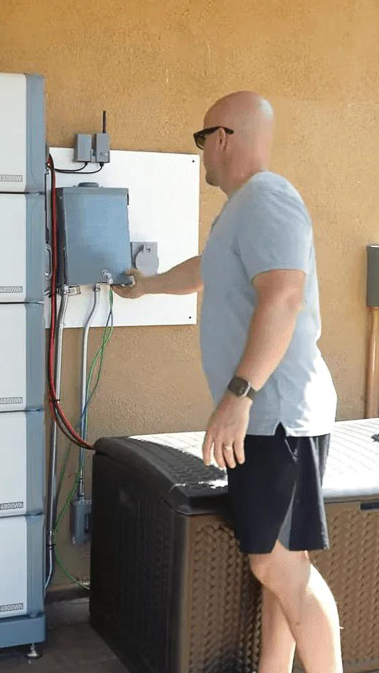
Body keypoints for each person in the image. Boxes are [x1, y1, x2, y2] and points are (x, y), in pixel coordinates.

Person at [114, 91, 342, 673]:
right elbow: (206, 270)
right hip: (266, 417)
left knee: (280, 568)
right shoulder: (241, 211)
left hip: (278, 415)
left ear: (223, 138)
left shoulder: (268, 199)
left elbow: (284, 297)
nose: (202, 157)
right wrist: (147, 285)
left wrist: (238, 396)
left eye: (202, 141)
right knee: (274, 563)